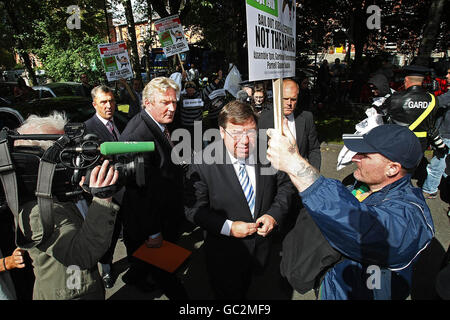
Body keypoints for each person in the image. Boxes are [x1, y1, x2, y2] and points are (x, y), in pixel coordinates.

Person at [266, 122, 435, 299]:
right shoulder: (363, 184)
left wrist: (295, 165)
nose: (355, 158)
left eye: (365, 155)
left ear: (392, 168)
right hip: (330, 287)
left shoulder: (411, 218)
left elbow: (363, 229)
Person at [184, 100, 294, 299]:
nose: (244, 141)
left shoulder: (268, 153)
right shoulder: (202, 163)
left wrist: (273, 215)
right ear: (221, 132)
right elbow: (194, 210)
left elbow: (286, 186)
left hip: (264, 253)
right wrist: (229, 227)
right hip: (225, 257)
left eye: (251, 132)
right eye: (236, 133)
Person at [15, 112, 120, 300]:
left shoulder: (55, 193)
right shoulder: (37, 211)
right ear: (43, 164)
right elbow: (81, 255)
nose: (73, 160)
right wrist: (103, 200)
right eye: (65, 154)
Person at [119, 77, 188, 299]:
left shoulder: (158, 124)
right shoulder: (137, 136)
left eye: (174, 102)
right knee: (167, 272)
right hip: (153, 220)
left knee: (150, 263)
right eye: (165, 102)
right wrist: (154, 232)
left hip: (165, 211)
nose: (172, 108)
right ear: (147, 103)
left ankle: (136, 275)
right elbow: (140, 192)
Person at [259, 79, 321, 235]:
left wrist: (313, 174)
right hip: (275, 183)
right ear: (277, 97)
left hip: (301, 182)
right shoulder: (263, 119)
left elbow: (314, 148)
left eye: (293, 99)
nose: (289, 103)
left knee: (298, 224)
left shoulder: (306, 118)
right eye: (285, 99)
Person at [84, 85, 123, 289]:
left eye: (111, 101)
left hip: (125, 187)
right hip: (106, 192)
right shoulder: (88, 128)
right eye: (103, 102)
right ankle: (106, 268)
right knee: (109, 234)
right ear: (94, 104)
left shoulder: (120, 122)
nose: (109, 106)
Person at [377, 65, 443, 152]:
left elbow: (380, 115)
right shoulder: (433, 99)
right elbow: (432, 122)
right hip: (421, 143)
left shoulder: (394, 98)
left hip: (399, 141)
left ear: (406, 80)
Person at [422, 66, 450, 199]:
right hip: (446, 131)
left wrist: (426, 95)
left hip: (446, 133)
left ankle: (430, 189)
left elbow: (436, 103)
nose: (447, 76)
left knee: (437, 163)